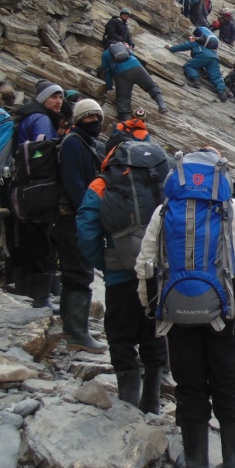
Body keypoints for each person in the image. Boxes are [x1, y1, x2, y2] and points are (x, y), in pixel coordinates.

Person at [134, 147, 235, 468]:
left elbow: (146, 262)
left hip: (176, 311)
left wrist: (153, 306)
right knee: (228, 382)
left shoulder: (165, 211)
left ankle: (196, 463)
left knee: (189, 385)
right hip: (223, 312)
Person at [78, 119, 169, 414]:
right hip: (157, 275)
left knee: (120, 336)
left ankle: (128, 400)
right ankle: (152, 402)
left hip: (120, 276)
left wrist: (105, 262)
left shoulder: (102, 184)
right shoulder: (160, 181)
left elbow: (86, 231)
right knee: (154, 334)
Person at [8, 79, 65, 310]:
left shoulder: (29, 116)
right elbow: (43, 153)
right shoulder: (41, 119)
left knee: (28, 238)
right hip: (37, 188)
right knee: (43, 240)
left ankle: (27, 288)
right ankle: (42, 296)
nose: (59, 101)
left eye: (61, 97)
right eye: (54, 97)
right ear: (43, 99)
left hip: (22, 186)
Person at [55, 99, 107, 353]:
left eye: (97, 116)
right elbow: (74, 185)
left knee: (73, 274)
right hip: (73, 219)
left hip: (73, 218)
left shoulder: (83, 142)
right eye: (88, 117)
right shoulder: (74, 143)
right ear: (78, 120)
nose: (94, 121)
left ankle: (69, 326)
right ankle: (78, 333)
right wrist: (87, 217)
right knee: (80, 274)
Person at [102, 42, 169, 120]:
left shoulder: (104, 54)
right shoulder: (123, 46)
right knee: (152, 86)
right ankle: (162, 106)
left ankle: (126, 123)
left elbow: (107, 72)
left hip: (122, 74)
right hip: (137, 66)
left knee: (123, 101)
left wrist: (109, 87)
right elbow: (132, 55)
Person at [166, 27, 229, 101]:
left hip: (203, 56)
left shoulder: (195, 43)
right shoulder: (210, 47)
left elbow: (183, 47)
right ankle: (221, 91)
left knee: (189, 66)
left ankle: (196, 81)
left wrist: (171, 48)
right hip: (215, 57)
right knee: (216, 76)